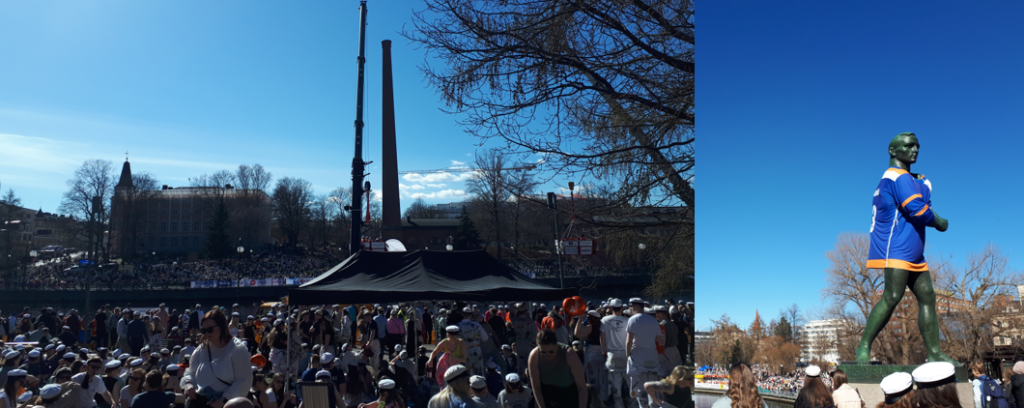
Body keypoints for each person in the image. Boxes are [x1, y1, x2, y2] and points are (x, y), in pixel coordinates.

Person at [857, 133, 953, 364]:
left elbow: (922, 200)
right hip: (897, 248)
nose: (915, 150)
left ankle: (933, 352)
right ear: (893, 150)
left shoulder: (907, 178)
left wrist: (920, 182)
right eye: (909, 146)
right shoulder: (896, 177)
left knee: (928, 296)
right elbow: (918, 210)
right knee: (891, 296)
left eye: (917, 146)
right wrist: (939, 222)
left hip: (914, 252)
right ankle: (863, 347)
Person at [181, 309, 254, 408]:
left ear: (222, 326)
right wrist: (188, 383)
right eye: (203, 330)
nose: (206, 334)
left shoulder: (237, 349)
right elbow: (190, 372)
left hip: (225, 403)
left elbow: (244, 381)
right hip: (200, 401)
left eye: (210, 329)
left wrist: (225, 399)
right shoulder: (202, 348)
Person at [528, 328, 586, 408]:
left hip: (569, 395)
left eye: (551, 351)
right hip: (548, 394)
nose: (547, 354)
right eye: (543, 352)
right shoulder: (534, 356)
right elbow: (536, 388)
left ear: (556, 345)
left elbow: (582, 387)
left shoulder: (569, 354)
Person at [625, 299, 663, 408]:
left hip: (638, 354)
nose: (630, 308)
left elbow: (628, 341)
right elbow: (658, 339)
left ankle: (642, 406)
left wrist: (628, 354)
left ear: (636, 306)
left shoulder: (633, 319)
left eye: (631, 306)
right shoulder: (653, 320)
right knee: (652, 384)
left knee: (638, 385)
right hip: (652, 354)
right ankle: (653, 405)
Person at [600, 299, 628, 408]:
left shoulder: (605, 320)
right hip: (625, 354)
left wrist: (604, 350)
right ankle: (633, 403)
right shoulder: (627, 320)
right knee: (630, 381)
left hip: (612, 355)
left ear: (611, 308)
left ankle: (618, 405)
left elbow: (602, 338)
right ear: (622, 308)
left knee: (616, 382)